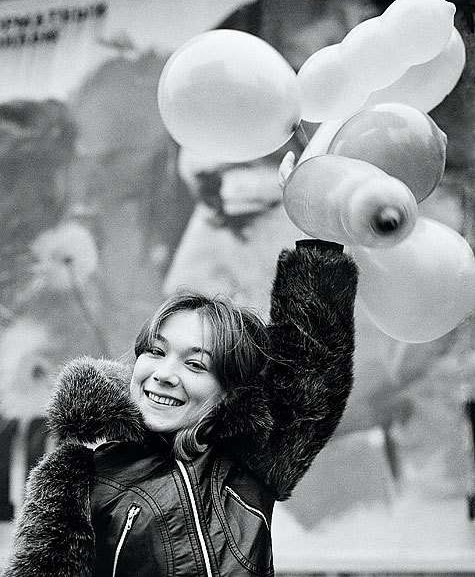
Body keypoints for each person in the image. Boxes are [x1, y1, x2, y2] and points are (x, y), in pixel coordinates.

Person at [3, 237, 357, 577]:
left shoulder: (252, 460)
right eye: (156, 351)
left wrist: (320, 238)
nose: (164, 374)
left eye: (195, 364)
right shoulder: (78, 477)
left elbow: (313, 368)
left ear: (229, 391)